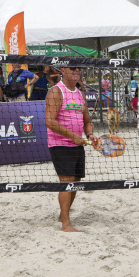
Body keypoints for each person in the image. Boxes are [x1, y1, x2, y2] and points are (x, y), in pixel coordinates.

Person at [45, 66, 96, 232]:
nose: (77, 70)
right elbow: (50, 121)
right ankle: (66, 224)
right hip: (60, 143)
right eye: (72, 68)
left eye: (79, 68)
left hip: (77, 143)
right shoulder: (56, 91)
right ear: (63, 70)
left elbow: (87, 121)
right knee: (66, 181)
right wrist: (73, 136)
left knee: (75, 181)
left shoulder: (80, 94)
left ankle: (63, 215)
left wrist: (90, 135)